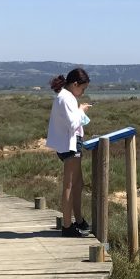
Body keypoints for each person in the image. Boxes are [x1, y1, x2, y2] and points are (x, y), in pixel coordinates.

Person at [46, 67, 92, 237]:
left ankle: (78, 220)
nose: (82, 92)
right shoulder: (66, 99)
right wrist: (82, 110)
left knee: (78, 183)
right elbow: (73, 123)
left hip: (71, 144)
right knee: (70, 185)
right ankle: (67, 226)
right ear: (75, 84)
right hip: (70, 146)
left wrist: (79, 110)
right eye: (82, 88)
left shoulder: (66, 97)